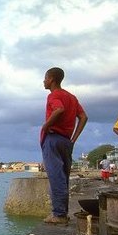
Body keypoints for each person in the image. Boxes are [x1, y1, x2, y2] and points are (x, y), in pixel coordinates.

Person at [40, 67, 88, 224]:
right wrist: (73, 139)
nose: (44, 81)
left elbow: (59, 109)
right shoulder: (72, 97)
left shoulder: (54, 95)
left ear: (51, 79)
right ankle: (63, 212)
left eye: (45, 78)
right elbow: (83, 117)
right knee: (63, 177)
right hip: (67, 141)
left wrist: (45, 126)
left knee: (56, 176)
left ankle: (59, 214)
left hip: (53, 138)